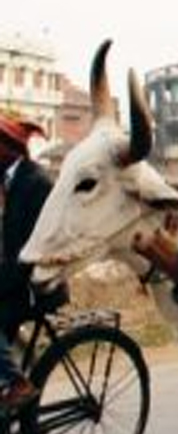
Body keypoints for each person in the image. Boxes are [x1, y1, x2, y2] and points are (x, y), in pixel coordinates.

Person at [0, 113, 54, 410]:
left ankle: (18, 382)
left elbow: (33, 251)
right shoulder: (7, 180)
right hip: (15, 277)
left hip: (36, 283)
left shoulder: (36, 184)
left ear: (7, 149)